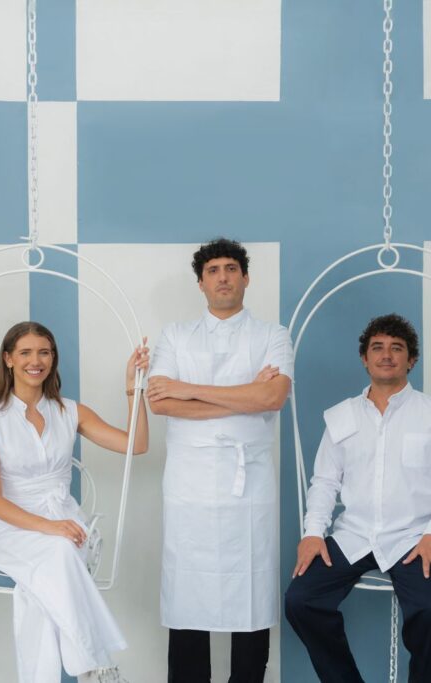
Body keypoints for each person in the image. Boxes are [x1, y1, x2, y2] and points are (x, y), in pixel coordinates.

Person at [285, 314, 431, 683]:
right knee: (300, 601)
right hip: (354, 535)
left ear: (411, 359)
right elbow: (324, 481)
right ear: (364, 358)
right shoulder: (341, 416)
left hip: (415, 538)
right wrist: (312, 534)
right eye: (377, 347)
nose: (386, 355)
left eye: (396, 348)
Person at [146, 238, 294, 683]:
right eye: (213, 270)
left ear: (246, 278)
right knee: (188, 594)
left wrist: (189, 388)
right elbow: (160, 402)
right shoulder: (176, 335)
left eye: (231, 268)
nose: (223, 277)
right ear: (201, 283)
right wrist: (244, 396)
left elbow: (273, 396)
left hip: (249, 485)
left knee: (251, 592)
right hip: (188, 483)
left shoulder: (273, 335)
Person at [0, 321, 149, 683]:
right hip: (10, 529)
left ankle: (92, 668)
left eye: (44, 352)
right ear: (8, 359)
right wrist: (50, 528)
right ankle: (97, 666)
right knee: (59, 553)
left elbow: (137, 445)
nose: (35, 361)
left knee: (47, 579)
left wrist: (134, 387)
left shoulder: (70, 411)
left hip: (65, 521)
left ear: (53, 359)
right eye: (25, 352)